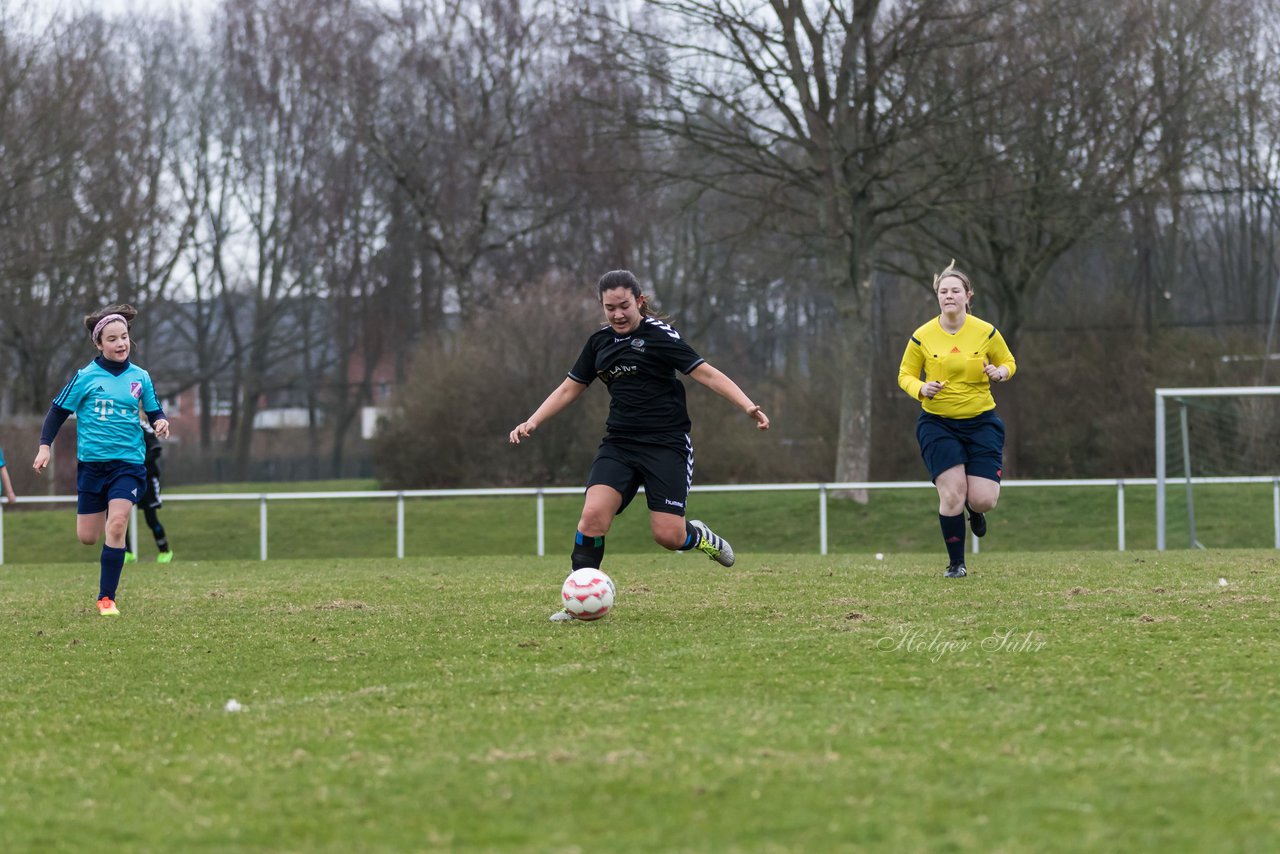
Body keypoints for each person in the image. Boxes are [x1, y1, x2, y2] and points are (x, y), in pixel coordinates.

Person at [509, 270, 770, 622]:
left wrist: (747, 405)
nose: (617, 314)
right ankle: (578, 602)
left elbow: (706, 373)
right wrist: (533, 420)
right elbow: (569, 387)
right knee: (591, 518)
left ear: (640, 302)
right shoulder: (598, 342)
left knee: (668, 535)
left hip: (666, 445)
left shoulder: (660, 337)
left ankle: (700, 536)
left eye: (624, 306)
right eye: (609, 307)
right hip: (619, 444)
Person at [33, 304, 170, 616]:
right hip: (93, 466)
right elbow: (57, 412)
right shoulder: (85, 377)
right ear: (99, 343)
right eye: (112, 339)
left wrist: (160, 421)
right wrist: (44, 447)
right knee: (87, 537)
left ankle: (106, 598)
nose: (120, 344)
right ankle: (106, 570)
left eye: (124, 337)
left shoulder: (141, 377)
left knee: (118, 523)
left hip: (129, 464)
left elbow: (154, 410)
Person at [897, 260, 1017, 578]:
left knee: (984, 499)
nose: (949, 296)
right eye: (943, 291)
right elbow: (904, 375)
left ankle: (974, 510)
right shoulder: (922, 336)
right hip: (938, 423)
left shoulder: (986, 331)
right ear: (937, 296)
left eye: (955, 291)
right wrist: (922, 388)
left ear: (968, 296)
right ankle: (956, 564)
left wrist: (1000, 372)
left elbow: (1008, 361)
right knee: (951, 493)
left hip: (981, 422)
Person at [124, 416, 174, 564]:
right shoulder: (116, 424)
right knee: (118, 515)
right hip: (126, 478)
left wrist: (138, 463)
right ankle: (126, 552)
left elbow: (156, 449)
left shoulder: (142, 426)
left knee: (151, 519)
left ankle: (165, 551)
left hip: (146, 479)